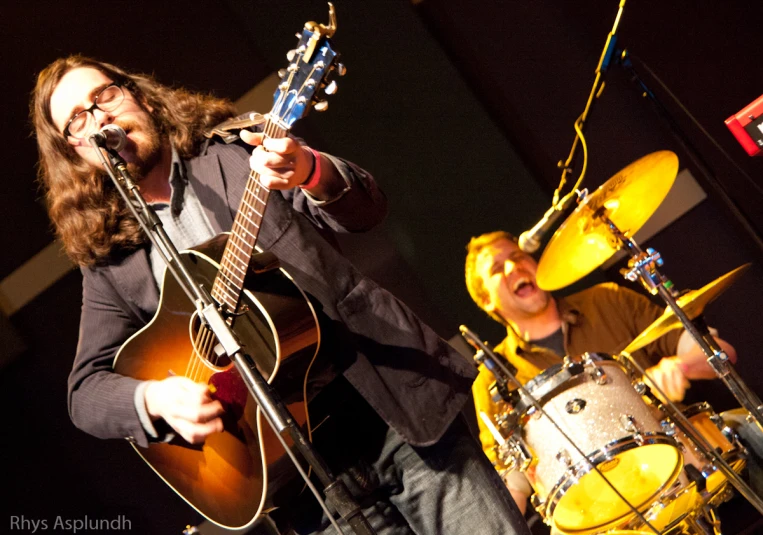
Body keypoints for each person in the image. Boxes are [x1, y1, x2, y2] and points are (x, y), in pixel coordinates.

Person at [31, 56, 531, 535]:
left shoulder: (235, 149)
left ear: (138, 97)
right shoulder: (112, 260)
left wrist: (311, 170)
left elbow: (365, 210)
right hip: (302, 482)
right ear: (74, 149)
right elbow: (85, 393)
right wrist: (152, 398)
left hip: (393, 410)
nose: (99, 117)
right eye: (78, 117)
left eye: (106, 96)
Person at [463, 230, 738, 515]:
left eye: (518, 256)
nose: (514, 267)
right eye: (497, 269)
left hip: (687, 469)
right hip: (601, 516)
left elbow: (719, 352)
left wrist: (679, 367)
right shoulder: (491, 382)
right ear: (486, 301)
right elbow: (511, 487)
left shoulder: (607, 301)